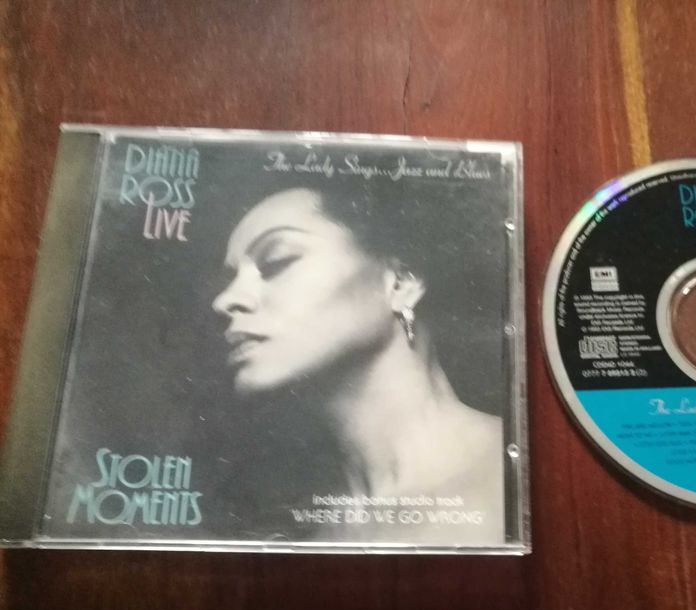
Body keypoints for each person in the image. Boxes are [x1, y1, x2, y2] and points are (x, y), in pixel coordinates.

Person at [211, 187, 504, 543]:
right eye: (230, 279)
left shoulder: (517, 475)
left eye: (276, 262)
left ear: (401, 283)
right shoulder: (294, 534)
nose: (224, 300)